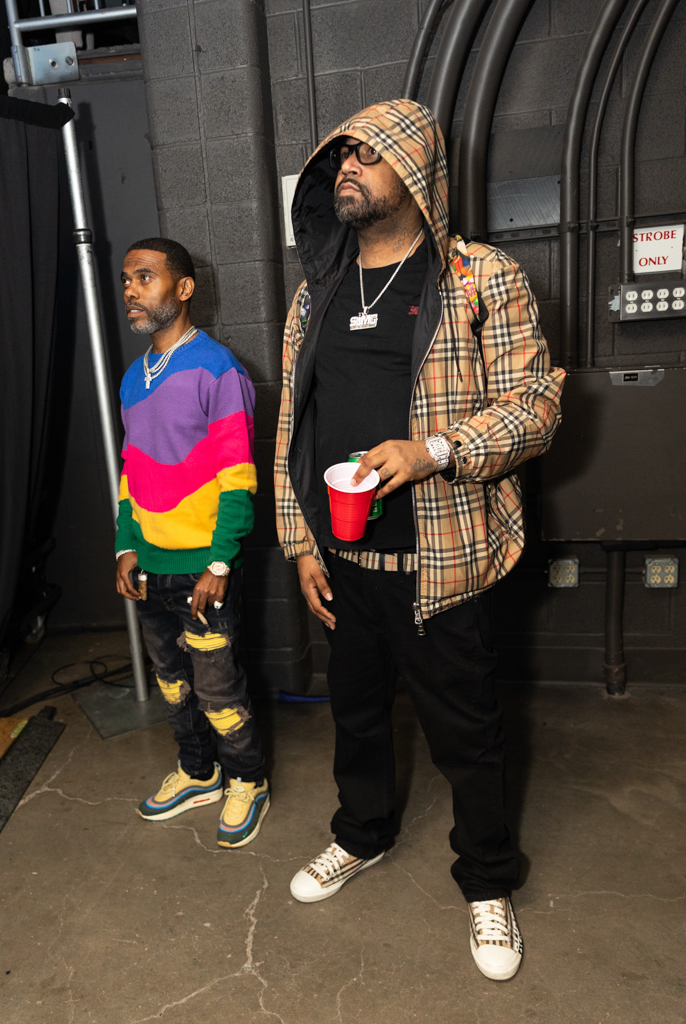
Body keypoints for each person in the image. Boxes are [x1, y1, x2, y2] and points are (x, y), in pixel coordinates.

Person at [275, 100, 564, 980]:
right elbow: (292, 423)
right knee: (355, 716)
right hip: (343, 560)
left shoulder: (479, 277)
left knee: (465, 733)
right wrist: (299, 542)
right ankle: (361, 834)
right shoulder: (316, 291)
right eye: (341, 153)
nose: (347, 165)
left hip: (439, 563)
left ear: (417, 169)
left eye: (369, 153)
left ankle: (486, 879)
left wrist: (433, 450)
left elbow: (536, 406)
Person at [116, 237, 269, 848]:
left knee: (218, 687)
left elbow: (239, 478)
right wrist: (126, 546)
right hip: (150, 568)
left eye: (144, 277)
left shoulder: (217, 369)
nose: (131, 290)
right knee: (173, 684)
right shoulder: (132, 378)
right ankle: (199, 773)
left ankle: (248, 780)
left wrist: (220, 562)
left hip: (205, 569)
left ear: (183, 289)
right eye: (126, 279)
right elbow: (130, 469)